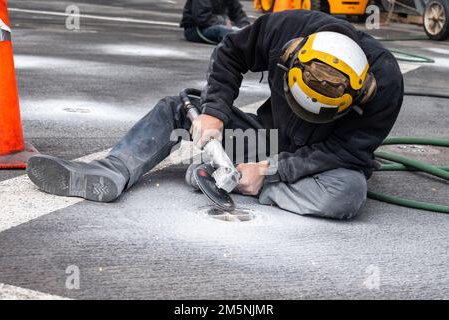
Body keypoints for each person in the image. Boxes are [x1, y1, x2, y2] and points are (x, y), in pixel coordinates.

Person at [27, 10, 403, 220]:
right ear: (290, 59)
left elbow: (347, 152)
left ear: (359, 94)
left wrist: (270, 171)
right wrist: (215, 112)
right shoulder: (284, 30)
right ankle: (113, 170)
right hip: (266, 137)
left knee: (349, 194)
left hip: (316, 162)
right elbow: (230, 54)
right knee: (182, 106)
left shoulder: (384, 88)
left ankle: (240, 179)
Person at [180, 0, 250, 44]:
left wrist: (245, 27)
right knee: (223, 31)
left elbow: (239, 13)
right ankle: (242, 47)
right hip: (196, 29)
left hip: (215, 24)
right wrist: (224, 22)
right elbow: (201, 18)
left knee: (246, 31)